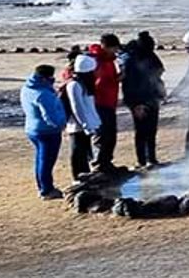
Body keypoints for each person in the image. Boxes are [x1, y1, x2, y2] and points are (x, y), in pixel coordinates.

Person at [20, 63, 68, 199]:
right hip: (47, 132)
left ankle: (42, 187)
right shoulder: (43, 94)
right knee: (46, 162)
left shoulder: (28, 88)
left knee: (40, 160)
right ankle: (46, 190)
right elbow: (49, 116)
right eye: (51, 78)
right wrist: (60, 125)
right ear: (45, 78)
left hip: (32, 129)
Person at [120, 31, 167, 168]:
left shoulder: (150, 56)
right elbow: (128, 85)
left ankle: (152, 158)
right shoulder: (131, 61)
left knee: (151, 130)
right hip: (138, 101)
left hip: (152, 98)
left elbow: (158, 72)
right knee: (141, 131)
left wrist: (160, 93)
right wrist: (135, 104)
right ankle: (142, 161)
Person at [86, 32, 123, 172]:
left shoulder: (109, 60)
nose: (116, 51)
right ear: (106, 47)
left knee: (111, 134)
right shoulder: (96, 60)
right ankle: (98, 165)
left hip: (109, 102)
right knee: (101, 134)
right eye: (114, 48)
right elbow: (99, 83)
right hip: (100, 103)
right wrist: (117, 79)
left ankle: (106, 162)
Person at [65, 53, 103, 180]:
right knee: (78, 153)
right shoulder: (74, 85)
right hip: (78, 126)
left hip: (88, 124)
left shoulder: (85, 84)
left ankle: (85, 175)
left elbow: (89, 105)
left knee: (86, 152)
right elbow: (77, 108)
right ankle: (78, 177)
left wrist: (94, 122)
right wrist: (86, 125)